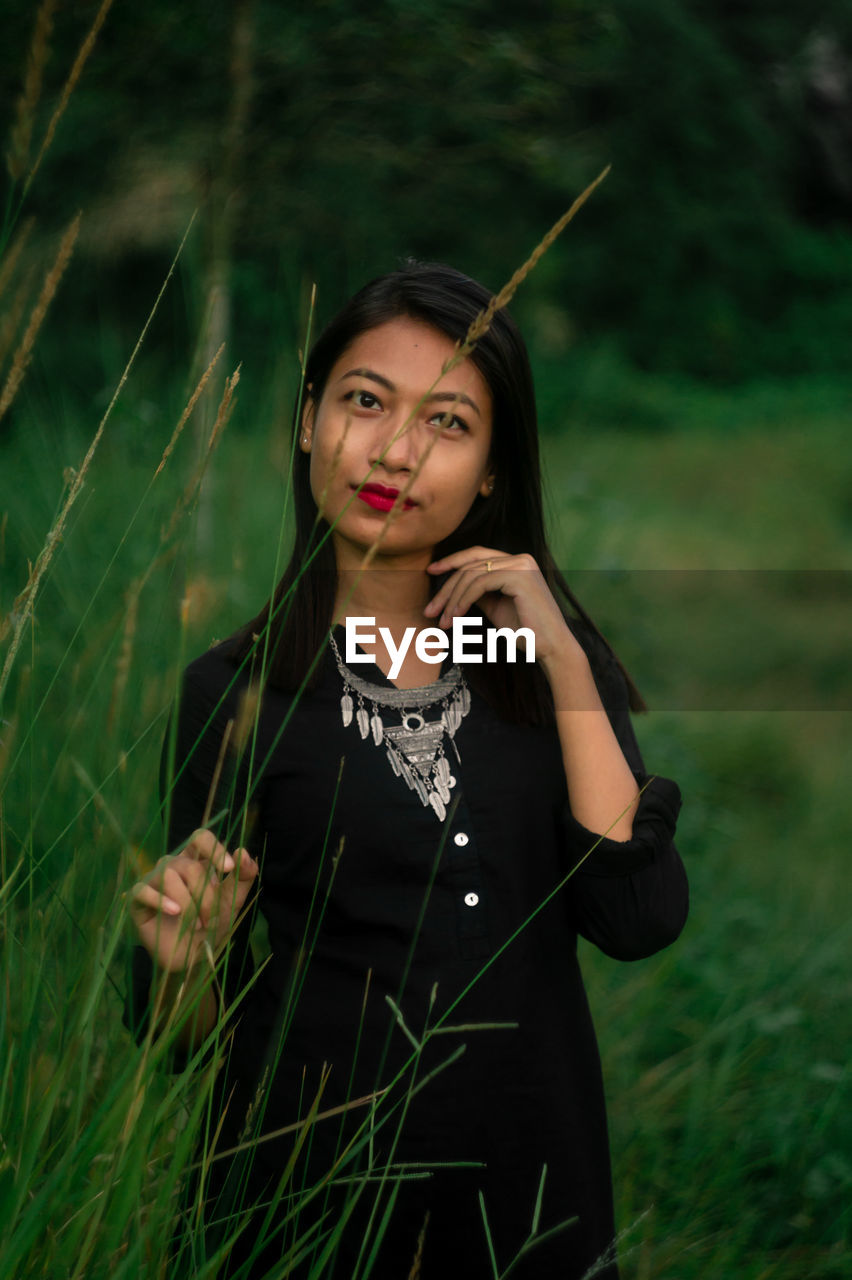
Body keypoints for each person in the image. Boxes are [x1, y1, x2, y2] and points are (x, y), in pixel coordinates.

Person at [125, 261, 688, 1280]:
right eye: (366, 401)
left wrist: (563, 654)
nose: (392, 449)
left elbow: (636, 915)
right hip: (299, 1216)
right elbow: (187, 1041)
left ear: (492, 473)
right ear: (308, 420)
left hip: (528, 1208)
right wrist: (183, 966)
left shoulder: (542, 670)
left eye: (447, 421)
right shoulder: (236, 691)